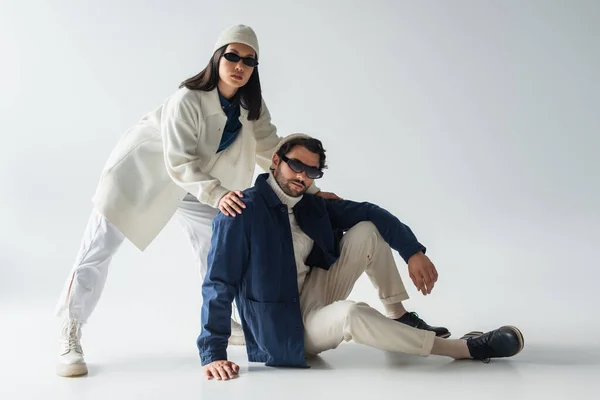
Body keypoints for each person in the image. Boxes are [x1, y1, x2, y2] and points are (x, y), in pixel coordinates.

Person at [54, 25, 340, 378]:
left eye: (249, 60)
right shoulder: (187, 99)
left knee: (219, 248)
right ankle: (69, 330)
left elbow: (272, 150)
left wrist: (309, 188)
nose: (240, 65)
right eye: (232, 56)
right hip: (142, 178)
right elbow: (179, 163)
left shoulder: (252, 106)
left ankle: (223, 324)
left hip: (196, 187)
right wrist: (219, 194)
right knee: (96, 252)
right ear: (218, 57)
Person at [197, 134, 525, 381]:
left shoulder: (312, 205)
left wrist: (412, 252)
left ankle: (397, 314)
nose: (302, 176)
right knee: (352, 314)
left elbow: (370, 212)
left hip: (312, 295)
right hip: (285, 329)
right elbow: (218, 283)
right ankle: (462, 349)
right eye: (296, 165)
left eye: (312, 171)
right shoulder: (241, 210)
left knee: (366, 228)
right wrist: (212, 354)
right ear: (275, 161)